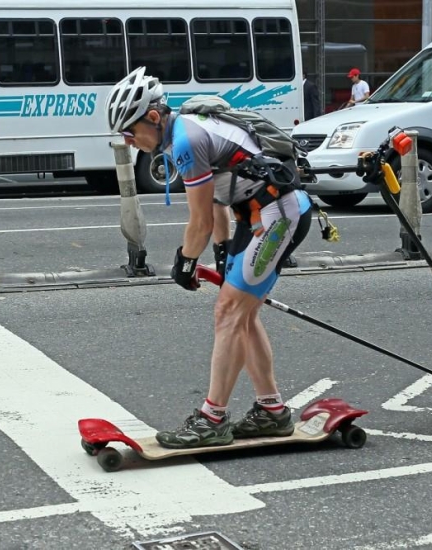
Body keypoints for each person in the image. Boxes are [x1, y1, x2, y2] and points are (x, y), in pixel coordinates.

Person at [105, 67, 313, 449]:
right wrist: (221, 253)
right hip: (256, 216)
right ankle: (272, 411)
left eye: (130, 132)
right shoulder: (178, 135)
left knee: (229, 313)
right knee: (241, 314)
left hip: (277, 216)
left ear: (153, 117)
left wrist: (184, 263)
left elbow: (198, 221)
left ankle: (212, 419)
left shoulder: (186, 138)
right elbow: (217, 200)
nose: (129, 141)